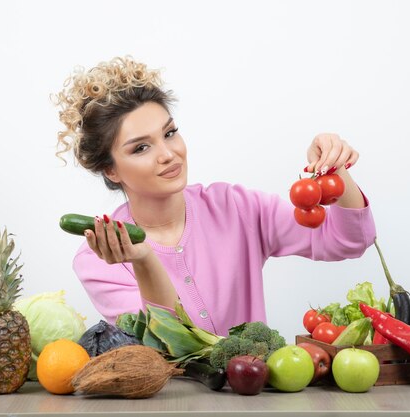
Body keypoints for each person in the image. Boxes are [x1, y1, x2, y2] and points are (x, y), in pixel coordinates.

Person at [54, 56, 376, 336]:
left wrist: (333, 169)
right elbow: (167, 343)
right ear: (111, 170)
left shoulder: (236, 208)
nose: (168, 154)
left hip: (252, 401)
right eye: (141, 147)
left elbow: (347, 241)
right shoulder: (99, 258)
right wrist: (144, 259)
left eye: (169, 133)